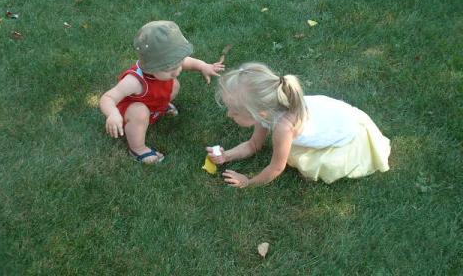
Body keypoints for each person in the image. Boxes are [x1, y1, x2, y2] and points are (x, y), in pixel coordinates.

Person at [206, 62, 390, 187]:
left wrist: (248, 182)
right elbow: (254, 144)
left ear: (259, 113)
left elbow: (276, 168)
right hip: (334, 115)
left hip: (346, 131)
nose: (229, 115)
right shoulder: (267, 108)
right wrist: (226, 156)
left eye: (235, 112)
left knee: (302, 162)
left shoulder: (283, 128)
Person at [100, 20, 224, 164]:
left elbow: (185, 62)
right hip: (131, 113)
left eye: (178, 65)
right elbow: (107, 97)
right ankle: (137, 149)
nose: (178, 71)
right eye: (170, 69)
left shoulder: (167, 66)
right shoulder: (134, 81)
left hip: (151, 103)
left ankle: (159, 108)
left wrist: (203, 66)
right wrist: (113, 114)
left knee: (174, 84)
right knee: (140, 112)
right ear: (151, 67)